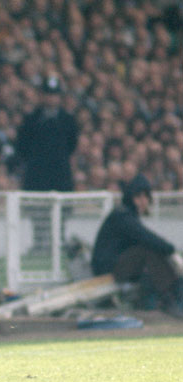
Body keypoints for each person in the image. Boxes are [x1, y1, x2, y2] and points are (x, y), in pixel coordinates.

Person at [91, 173, 183, 317]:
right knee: (147, 250)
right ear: (131, 198)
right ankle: (170, 297)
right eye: (138, 197)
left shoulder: (124, 214)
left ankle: (169, 296)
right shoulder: (123, 216)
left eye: (145, 197)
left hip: (114, 265)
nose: (142, 201)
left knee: (150, 251)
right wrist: (171, 251)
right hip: (108, 268)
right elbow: (146, 237)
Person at [15, 75, 79, 253]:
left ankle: (58, 242)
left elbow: (72, 145)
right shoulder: (32, 119)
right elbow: (22, 146)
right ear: (42, 96)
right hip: (38, 175)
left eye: (55, 95)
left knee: (61, 213)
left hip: (60, 174)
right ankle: (40, 243)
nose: (51, 98)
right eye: (48, 94)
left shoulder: (67, 120)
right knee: (39, 213)